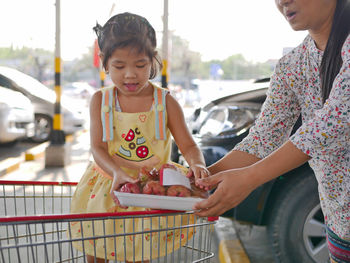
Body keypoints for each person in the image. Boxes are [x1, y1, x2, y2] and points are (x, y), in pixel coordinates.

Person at [194, 0, 350, 262]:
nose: (283, 2)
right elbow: (261, 139)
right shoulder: (292, 65)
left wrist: (249, 178)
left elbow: (330, 124)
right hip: (339, 232)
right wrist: (198, 181)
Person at [69, 12, 209, 263]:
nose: (130, 75)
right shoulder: (100, 100)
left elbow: (187, 144)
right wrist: (117, 173)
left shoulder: (166, 102)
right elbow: (98, 148)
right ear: (104, 62)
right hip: (106, 188)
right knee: (97, 251)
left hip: (150, 192)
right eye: (119, 67)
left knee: (140, 253)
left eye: (140, 65)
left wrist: (197, 164)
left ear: (153, 60)